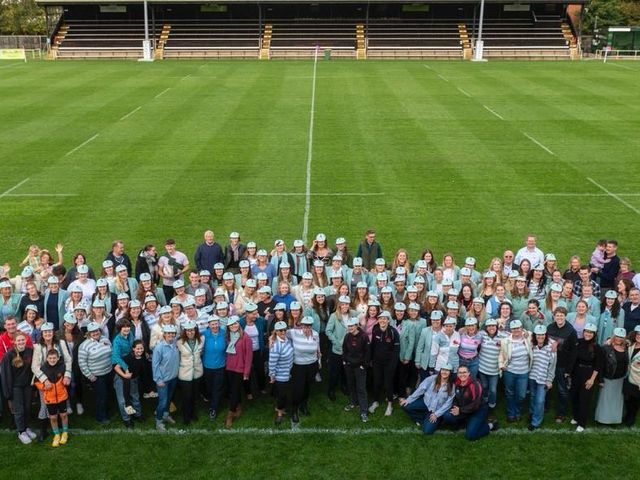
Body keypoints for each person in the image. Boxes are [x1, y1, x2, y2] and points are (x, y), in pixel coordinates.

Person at [440, 365, 497, 440]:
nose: (462, 374)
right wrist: (455, 407)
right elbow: (455, 398)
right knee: (447, 415)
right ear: (457, 374)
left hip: (478, 410)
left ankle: (490, 425)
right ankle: (466, 422)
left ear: (469, 373)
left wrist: (460, 410)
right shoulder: (457, 382)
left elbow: (476, 404)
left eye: (464, 372)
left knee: (470, 435)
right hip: (464, 409)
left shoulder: (475, 384)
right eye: (460, 372)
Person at [1, 332, 36, 444]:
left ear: (26, 340)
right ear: (14, 342)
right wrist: (8, 393)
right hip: (15, 387)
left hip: (27, 386)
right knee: (19, 410)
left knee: (27, 408)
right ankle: (21, 432)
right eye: (19, 340)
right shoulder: (9, 355)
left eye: (23, 340)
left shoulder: (31, 351)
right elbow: (5, 375)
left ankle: (26, 428)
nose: (21, 342)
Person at [400, 366, 455, 435]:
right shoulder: (432, 378)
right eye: (443, 369)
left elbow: (448, 404)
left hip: (436, 410)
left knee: (427, 431)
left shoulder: (452, 386)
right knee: (405, 405)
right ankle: (423, 418)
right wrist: (409, 399)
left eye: (447, 370)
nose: (444, 372)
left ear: (450, 373)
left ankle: (437, 420)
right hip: (426, 403)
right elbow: (421, 389)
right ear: (440, 370)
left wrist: (436, 414)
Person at [77, 321, 112, 424]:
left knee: (107, 395)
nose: (95, 333)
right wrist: (90, 376)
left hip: (108, 372)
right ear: (88, 333)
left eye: (96, 330)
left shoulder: (105, 339)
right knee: (101, 396)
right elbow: (82, 363)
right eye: (92, 332)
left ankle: (105, 411)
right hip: (97, 376)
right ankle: (100, 416)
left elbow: (111, 351)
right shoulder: (84, 346)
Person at [570, 323, 603, 432]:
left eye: (590, 332)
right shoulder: (578, 342)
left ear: (594, 334)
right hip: (576, 373)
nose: (588, 334)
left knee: (584, 399)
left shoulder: (597, 347)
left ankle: (582, 423)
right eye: (586, 331)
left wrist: (592, 379)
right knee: (574, 396)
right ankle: (576, 417)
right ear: (583, 332)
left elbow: (598, 365)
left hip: (588, 374)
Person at [287, 316, 320, 423]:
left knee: (307, 387)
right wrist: (272, 338)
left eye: (309, 326)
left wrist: (319, 362)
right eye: (305, 325)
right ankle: (294, 410)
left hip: (312, 365)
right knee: (298, 389)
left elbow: (317, 349)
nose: (307, 328)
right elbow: (279, 332)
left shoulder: (315, 334)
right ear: (301, 325)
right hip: (299, 366)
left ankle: (304, 405)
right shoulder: (294, 333)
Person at [34, 348, 70, 447]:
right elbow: (36, 382)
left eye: (54, 358)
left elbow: (68, 376)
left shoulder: (62, 367)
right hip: (50, 399)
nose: (52, 360)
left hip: (62, 397)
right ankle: (57, 434)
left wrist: (67, 380)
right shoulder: (43, 369)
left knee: (63, 415)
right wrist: (44, 386)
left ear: (58, 358)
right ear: (47, 358)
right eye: (50, 358)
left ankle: (65, 433)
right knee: (53, 417)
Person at [499, 320, 532, 422]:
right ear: (511, 330)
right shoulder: (505, 341)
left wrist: (555, 343)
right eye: (514, 328)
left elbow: (538, 335)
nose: (516, 330)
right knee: (510, 393)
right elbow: (501, 354)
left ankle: (518, 411)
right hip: (510, 371)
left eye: (518, 328)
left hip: (524, 372)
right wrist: (501, 365)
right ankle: (511, 413)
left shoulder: (528, 338)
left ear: (521, 328)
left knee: (521, 395)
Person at [595, 327, 628, 425]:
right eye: (617, 336)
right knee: (605, 400)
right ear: (614, 336)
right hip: (608, 378)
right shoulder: (606, 348)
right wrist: (600, 379)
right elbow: (600, 365)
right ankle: (602, 419)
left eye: (621, 337)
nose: (619, 339)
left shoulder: (626, 348)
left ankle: (615, 420)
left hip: (620, 379)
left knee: (617, 400)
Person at [369, 311, 399, 416]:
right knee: (376, 382)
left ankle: (390, 404)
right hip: (377, 363)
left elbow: (396, 350)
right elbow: (372, 346)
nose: (382, 320)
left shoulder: (393, 332)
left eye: (385, 318)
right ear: (378, 320)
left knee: (388, 383)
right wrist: (371, 360)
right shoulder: (375, 330)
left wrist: (393, 364)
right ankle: (375, 401)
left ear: (388, 320)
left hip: (389, 364)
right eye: (380, 318)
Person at [224, 316, 252, 427]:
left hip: (240, 369)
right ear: (228, 327)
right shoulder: (228, 336)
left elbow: (249, 356)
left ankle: (230, 415)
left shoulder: (246, 337)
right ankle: (238, 407)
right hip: (229, 367)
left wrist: (246, 372)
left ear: (239, 324)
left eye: (235, 324)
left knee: (235, 391)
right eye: (231, 325)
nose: (234, 326)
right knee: (232, 390)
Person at [528, 325, 556, 430]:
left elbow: (553, 365)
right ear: (535, 335)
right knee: (532, 397)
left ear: (546, 335)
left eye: (543, 334)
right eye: (538, 334)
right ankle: (532, 414)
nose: (540, 336)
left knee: (540, 400)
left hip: (543, 378)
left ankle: (536, 421)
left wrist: (549, 380)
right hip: (532, 376)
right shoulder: (531, 345)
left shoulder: (551, 347)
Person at [342, 317, 371, 422]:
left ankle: (364, 411)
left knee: (361, 388)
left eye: (352, 326)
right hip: (349, 366)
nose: (350, 328)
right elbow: (344, 349)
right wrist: (344, 361)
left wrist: (364, 365)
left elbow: (368, 353)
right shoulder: (347, 336)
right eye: (349, 326)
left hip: (360, 367)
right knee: (351, 385)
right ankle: (354, 403)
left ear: (357, 325)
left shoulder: (364, 336)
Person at [478, 319, 507, 419]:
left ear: (497, 326)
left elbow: (516, 335)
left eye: (493, 326)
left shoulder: (503, 336)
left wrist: (525, 333)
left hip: (494, 370)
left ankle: (491, 406)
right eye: (489, 326)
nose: (491, 328)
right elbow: (470, 332)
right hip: (482, 367)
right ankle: (485, 402)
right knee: (484, 387)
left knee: (493, 390)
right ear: (486, 328)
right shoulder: (482, 335)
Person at [177, 320, 204, 425]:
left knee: (195, 395)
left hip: (197, 372)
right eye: (188, 331)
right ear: (185, 331)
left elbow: (201, 353)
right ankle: (186, 417)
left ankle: (193, 413)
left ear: (195, 330)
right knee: (186, 396)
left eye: (192, 330)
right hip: (185, 373)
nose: (190, 332)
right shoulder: (179, 342)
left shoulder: (201, 339)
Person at [153, 324, 179, 431]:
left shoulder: (176, 344)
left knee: (169, 399)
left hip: (173, 377)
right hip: (163, 380)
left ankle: (166, 415)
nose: (171, 335)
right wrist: (158, 379)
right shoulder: (159, 347)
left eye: (173, 333)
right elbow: (155, 365)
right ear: (164, 334)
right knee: (163, 401)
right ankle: (158, 421)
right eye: (168, 333)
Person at [268, 320, 294, 426]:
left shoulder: (288, 340)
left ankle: (281, 408)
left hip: (288, 372)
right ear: (276, 331)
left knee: (285, 394)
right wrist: (272, 376)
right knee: (281, 395)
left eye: (284, 330)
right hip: (280, 375)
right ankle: (279, 413)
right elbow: (272, 363)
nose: (283, 332)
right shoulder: (276, 346)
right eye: (280, 331)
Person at [624, 325, 640, 426]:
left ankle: (631, 418)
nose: (639, 336)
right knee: (627, 398)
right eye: (638, 334)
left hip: (637, 380)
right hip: (627, 376)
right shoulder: (630, 345)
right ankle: (627, 415)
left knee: (635, 400)